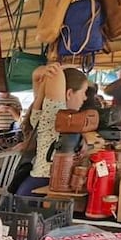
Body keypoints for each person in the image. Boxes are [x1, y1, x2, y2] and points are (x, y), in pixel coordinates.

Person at [14, 65, 88, 196]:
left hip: (33, 187)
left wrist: (44, 83)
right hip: (40, 189)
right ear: (69, 93)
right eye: (84, 92)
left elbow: (36, 74)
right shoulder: (54, 112)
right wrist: (59, 68)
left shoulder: (44, 112)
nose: (85, 98)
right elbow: (53, 73)